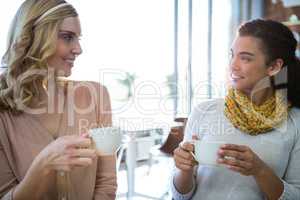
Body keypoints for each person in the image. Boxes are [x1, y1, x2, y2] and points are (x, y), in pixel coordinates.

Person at [172, 19, 300, 200]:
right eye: (232, 55)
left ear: (274, 67)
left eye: (245, 58)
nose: (233, 65)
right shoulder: (203, 111)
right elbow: (180, 196)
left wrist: (260, 170)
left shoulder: (295, 123)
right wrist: (184, 169)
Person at [0, 0, 117, 199]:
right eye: (67, 37)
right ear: (32, 37)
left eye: (78, 38)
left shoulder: (96, 95)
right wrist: (43, 164)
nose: (78, 49)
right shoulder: (3, 109)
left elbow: (106, 185)